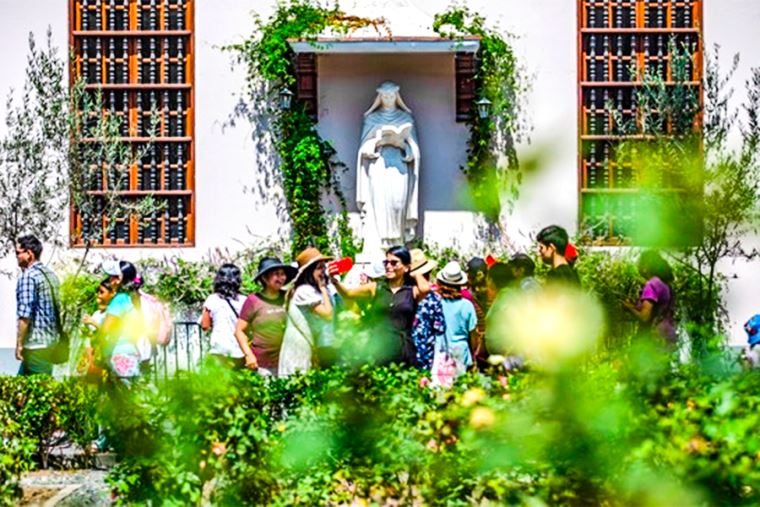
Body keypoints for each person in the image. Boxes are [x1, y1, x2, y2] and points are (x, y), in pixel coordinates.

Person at [330, 245, 430, 365]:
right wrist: (334, 281)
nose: (388, 267)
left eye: (394, 263)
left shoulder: (411, 291)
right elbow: (348, 293)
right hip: (378, 347)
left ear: (406, 267)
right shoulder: (376, 287)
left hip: (402, 349)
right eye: (386, 262)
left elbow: (425, 288)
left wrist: (415, 272)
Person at [356, 81, 421, 248]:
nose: (389, 99)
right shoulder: (372, 118)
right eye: (385, 96)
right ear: (380, 97)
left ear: (397, 97)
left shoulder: (405, 118)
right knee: (380, 202)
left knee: (397, 202)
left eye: (392, 95)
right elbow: (363, 148)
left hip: (399, 164)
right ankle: (380, 242)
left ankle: (398, 242)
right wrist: (376, 142)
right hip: (378, 165)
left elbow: (414, 150)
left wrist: (402, 145)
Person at [235, 257, 296, 376]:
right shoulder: (253, 300)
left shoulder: (288, 297)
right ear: (264, 278)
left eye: (283, 274)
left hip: (286, 360)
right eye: (276, 274)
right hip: (262, 364)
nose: (281, 278)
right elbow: (239, 331)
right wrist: (249, 355)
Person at [278, 248, 335, 376]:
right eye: (319, 268)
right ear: (309, 271)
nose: (323, 272)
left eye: (323, 267)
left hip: (307, 343)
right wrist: (323, 288)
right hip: (297, 345)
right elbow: (328, 315)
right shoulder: (304, 291)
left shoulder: (312, 291)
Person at [15, 235, 63, 376]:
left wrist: (19, 344)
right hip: (50, 341)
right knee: (21, 391)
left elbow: (25, 314)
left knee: (41, 389)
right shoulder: (50, 275)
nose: (16, 256)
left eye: (18, 253)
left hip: (36, 344)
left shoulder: (28, 276)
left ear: (29, 253)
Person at [98, 261, 144, 382]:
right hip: (131, 351)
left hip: (119, 354)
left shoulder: (119, 300)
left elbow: (105, 330)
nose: (109, 279)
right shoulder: (132, 298)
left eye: (112, 276)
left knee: (124, 397)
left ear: (118, 279)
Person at [623, 250, 677, 346]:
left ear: (646, 266)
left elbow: (644, 317)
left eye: (640, 262)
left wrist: (629, 307)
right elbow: (657, 310)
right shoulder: (666, 284)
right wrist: (636, 306)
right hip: (667, 334)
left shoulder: (652, 284)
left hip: (653, 339)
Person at [200, 264, 247, 368]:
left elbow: (205, 326)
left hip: (219, 350)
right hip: (239, 351)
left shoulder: (212, 299)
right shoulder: (244, 300)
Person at [436, 261, 478, 375]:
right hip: (461, 352)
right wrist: (473, 355)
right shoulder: (467, 305)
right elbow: (473, 335)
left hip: (441, 352)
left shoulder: (436, 303)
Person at [408, 249, 444, 370]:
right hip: (426, 355)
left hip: (402, 353)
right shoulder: (434, 299)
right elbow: (440, 328)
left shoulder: (401, 294)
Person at [80, 278, 118, 378]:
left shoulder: (113, 313)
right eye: (98, 292)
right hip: (93, 355)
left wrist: (93, 323)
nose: (98, 295)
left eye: (102, 292)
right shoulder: (97, 313)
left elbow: (110, 333)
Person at [463, 257, 489, 368]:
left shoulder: (490, 293)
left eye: (470, 275)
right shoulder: (469, 292)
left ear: (479, 275)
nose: (468, 278)